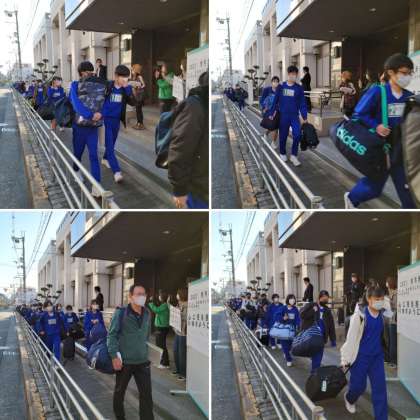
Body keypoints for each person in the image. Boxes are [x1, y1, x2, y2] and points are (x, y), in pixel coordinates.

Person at [344, 53, 415, 209]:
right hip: (380, 150)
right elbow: (359, 114)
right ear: (391, 72)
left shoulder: (409, 97)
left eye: (410, 73)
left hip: (400, 152)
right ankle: (351, 198)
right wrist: (376, 126)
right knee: (374, 189)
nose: (408, 77)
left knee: (408, 196)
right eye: (404, 73)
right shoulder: (378, 91)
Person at [341, 285, 391, 419]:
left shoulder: (383, 314)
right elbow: (351, 339)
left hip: (377, 358)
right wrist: (345, 359)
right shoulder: (360, 316)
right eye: (377, 299)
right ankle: (349, 398)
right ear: (369, 299)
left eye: (381, 299)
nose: (379, 302)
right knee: (358, 386)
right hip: (360, 357)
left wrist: (385, 301)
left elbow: (390, 312)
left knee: (380, 390)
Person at [108, 284, 154, 420]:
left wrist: (149, 354)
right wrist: (114, 356)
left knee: (146, 395)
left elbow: (146, 336)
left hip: (143, 362)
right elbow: (111, 335)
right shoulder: (121, 313)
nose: (142, 297)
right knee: (119, 392)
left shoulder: (147, 313)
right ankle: (120, 417)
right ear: (130, 296)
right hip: (125, 362)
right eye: (138, 294)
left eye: (144, 294)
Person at [168, 71, 209, 209]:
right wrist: (179, 189)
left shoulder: (201, 104)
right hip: (198, 190)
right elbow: (180, 148)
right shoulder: (195, 105)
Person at [69, 61, 104, 197]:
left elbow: (104, 101)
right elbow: (76, 105)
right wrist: (91, 115)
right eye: (86, 71)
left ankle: (96, 186)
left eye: (91, 71)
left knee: (94, 155)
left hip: (92, 127)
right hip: (79, 127)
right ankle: (76, 170)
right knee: (78, 153)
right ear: (81, 73)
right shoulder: (75, 85)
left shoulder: (99, 85)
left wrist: (101, 114)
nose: (89, 73)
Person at [102, 65, 136, 184]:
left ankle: (105, 158)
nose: (125, 80)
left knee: (112, 142)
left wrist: (127, 89)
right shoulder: (108, 86)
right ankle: (117, 172)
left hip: (116, 120)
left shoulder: (126, 88)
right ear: (116, 76)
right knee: (110, 146)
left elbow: (133, 102)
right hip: (105, 120)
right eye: (123, 77)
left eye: (127, 78)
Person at [270, 65, 308, 167]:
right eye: (291, 74)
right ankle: (282, 153)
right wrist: (271, 113)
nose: (293, 76)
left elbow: (302, 104)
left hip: (294, 116)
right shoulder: (281, 87)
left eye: (295, 74)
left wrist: (304, 117)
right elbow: (275, 101)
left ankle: (294, 155)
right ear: (288, 74)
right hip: (283, 116)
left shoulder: (299, 88)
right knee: (283, 135)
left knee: (297, 135)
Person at [300, 290, 336, 373]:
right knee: (316, 355)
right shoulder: (311, 305)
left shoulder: (327, 310)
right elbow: (302, 315)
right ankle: (314, 372)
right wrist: (313, 310)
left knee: (318, 356)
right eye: (324, 298)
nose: (325, 300)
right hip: (311, 335)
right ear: (319, 298)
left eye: (327, 299)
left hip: (322, 337)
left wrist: (333, 339)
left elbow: (331, 325)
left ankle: (314, 372)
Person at [148, 291, 170, 369]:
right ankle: (161, 361)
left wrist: (151, 302)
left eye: (160, 296)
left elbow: (156, 310)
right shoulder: (163, 305)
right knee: (159, 344)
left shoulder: (165, 305)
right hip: (160, 326)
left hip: (162, 327)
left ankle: (165, 363)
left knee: (161, 345)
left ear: (162, 297)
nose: (159, 297)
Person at [277, 294, 300, 367]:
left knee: (290, 345)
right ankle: (289, 359)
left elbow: (298, 318)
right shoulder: (283, 308)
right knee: (284, 345)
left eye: (293, 299)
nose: (292, 300)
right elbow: (277, 317)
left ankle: (286, 352)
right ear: (288, 300)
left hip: (292, 330)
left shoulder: (295, 309)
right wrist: (283, 318)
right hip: (283, 330)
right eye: (291, 299)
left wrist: (298, 325)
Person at [260, 76, 280, 148]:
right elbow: (262, 100)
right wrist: (264, 107)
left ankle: (273, 142)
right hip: (269, 111)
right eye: (274, 81)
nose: (275, 83)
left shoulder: (279, 91)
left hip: (277, 111)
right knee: (272, 126)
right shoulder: (267, 90)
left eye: (277, 81)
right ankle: (266, 133)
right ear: (271, 82)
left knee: (276, 127)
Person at [172, 288, 188, 381]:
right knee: (175, 351)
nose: (176, 295)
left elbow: (187, 318)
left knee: (182, 354)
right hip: (177, 331)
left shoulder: (188, 305)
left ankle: (183, 373)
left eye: (178, 294)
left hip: (183, 333)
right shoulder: (179, 304)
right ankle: (178, 370)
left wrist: (179, 315)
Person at [385, 276, 398, 366]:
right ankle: (390, 359)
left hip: (394, 320)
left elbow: (395, 306)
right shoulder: (390, 292)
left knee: (393, 341)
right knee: (390, 340)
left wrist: (389, 302)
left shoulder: (396, 293)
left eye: (387, 282)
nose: (386, 284)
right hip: (389, 319)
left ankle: (393, 361)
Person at [130, 64, 146, 130]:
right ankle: (138, 123)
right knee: (137, 110)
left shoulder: (139, 77)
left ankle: (140, 124)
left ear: (136, 70)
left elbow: (144, 85)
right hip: (136, 95)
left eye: (132, 70)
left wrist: (139, 87)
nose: (131, 71)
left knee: (139, 110)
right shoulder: (133, 78)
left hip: (139, 95)